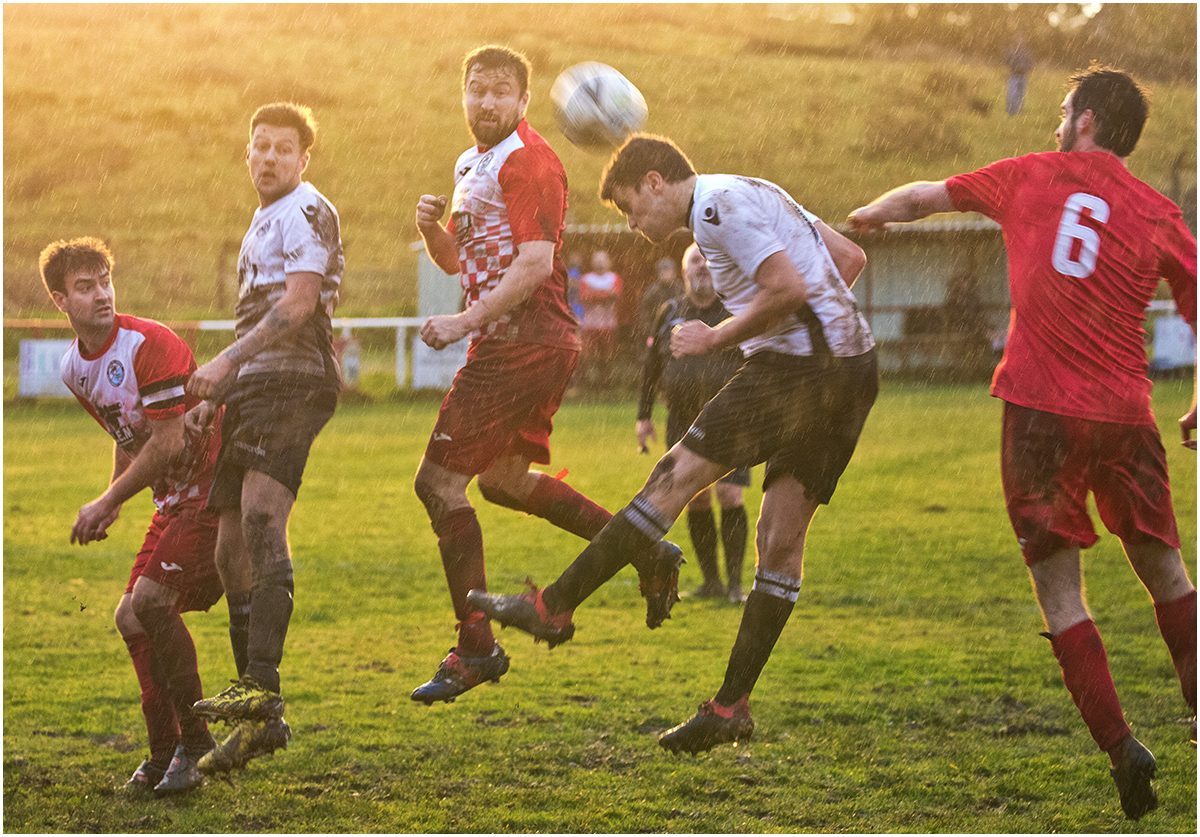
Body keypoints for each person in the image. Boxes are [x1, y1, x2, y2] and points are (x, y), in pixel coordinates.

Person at [847, 65, 1196, 822]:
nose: (1056, 122)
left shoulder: (1029, 175)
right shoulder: (1159, 212)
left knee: (1060, 590)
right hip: (1126, 415)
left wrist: (868, 215)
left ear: (1091, 121)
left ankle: (1120, 744)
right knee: (1167, 572)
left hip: (1039, 410)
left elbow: (923, 198)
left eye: (1065, 110)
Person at [469, 134, 878, 756]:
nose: (634, 225)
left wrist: (718, 338)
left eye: (633, 208)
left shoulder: (713, 212)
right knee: (779, 541)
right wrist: (810, 332)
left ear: (656, 181)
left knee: (675, 475)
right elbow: (847, 259)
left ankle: (552, 607)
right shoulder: (754, 188)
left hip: (802, 374)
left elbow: (789, 288)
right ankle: (730, 706)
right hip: (850, 374)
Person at [411, 46, 683, 705]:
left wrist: (463, 322)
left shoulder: (531, 160)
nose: (486, 102)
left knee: (439, 483)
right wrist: (429, 232)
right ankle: (646, 550)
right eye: (476, 89)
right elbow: (457, 258)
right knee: (502, 482)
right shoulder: (470, 164)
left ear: (525, 102)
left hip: (523, 338)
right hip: (525, 340)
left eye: (501, 91)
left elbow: (533, 264)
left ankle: (476, 647)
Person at [185, 101, 343, 774]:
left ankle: (261, 684)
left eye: (284, 147)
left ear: (304, 159)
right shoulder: (260, 220)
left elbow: (298, 303)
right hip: (252, 389)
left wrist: (223, 361)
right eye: (260, 146)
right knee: (228, 551)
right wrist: (224, 385)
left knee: (260, 517)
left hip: (295, 381)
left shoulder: (309, 209)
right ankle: (260, 720)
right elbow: (259, 311)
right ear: (247, 155)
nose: (271, 156)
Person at [41, 237, 226, 795]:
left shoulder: (149, 344)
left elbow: (168, 445)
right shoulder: (75, 368)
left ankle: (196, 750)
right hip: (174, 501)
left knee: (149, 603)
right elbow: (127, 432)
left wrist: (107, 501)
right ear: (60, 300)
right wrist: (115, 497)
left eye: (104, 281)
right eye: (84, 287)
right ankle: (165, 753)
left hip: (215, 489)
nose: (100, 295)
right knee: (131, 617)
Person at [638, 244, 749, 603]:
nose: (702, 266)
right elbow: (651, 365)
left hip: (731, 414)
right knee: (695, 498)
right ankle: (711, 583)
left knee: (729, 493)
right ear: (684, 271)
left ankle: (734, 585)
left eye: (707, 260)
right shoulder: (670, 311)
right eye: (694, 261)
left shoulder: (736, 311)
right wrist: (643, 416)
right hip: (682, 418)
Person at [578, 249, 624, 391]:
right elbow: (584, 298)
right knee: (587, 357)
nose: (599, 263)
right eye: (597, 260)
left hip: (608, 325)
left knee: (606, 357)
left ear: (608, 262)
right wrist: (606, 295)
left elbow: (616, 295)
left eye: (602, 260)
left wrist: (595, 294)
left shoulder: (614, 278)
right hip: (590, 325)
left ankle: (604, 385)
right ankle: (584, 386)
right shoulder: (586, 279)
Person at [637, 256, 683, 346]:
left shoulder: (681, 289)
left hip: (679, 330)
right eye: (664, 270)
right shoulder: (652, 292)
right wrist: (652, 333)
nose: (666, 273)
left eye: (669, 270)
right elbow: (645, 314)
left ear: (674, 272)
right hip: (658, 332)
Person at [1005, 36, 1035, 117]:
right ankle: (1011, 112)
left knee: (1021, 95)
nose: (1021, 44)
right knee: (1012, 94)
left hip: (1023, 76)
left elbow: (1030, 63)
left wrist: (1027, 68)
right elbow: (1007, 61)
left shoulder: (1027, 53)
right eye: (1019, 42)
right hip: (1014, 75)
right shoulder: (1013, 52)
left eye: (1022, 43)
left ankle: (1019, 112)